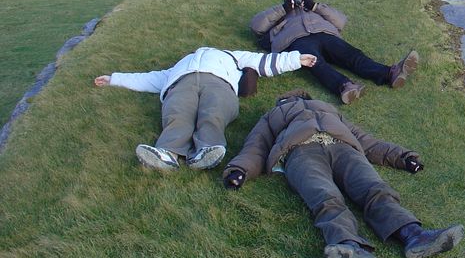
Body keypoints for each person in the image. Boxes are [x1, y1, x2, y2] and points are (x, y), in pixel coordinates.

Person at [222, 89, 465, 258]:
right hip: (300, 152)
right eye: (287, 99)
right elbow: (256, 146)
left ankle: (414, 235)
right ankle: (347, 245)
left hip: (343, 147)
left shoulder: (329, 110)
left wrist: (402, 157)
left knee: (374, 188)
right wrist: (239, 169)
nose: (292, 98)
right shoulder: (273, 116)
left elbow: (365, 140)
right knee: (324, 195)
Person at [94, 47, 317, 171]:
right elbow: (149, 79)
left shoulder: (233, 57)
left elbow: (265, 61)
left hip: (219, 84)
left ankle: (207, 149)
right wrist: (114, 79)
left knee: (214, 112)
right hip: (182, 84)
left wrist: (297, 59)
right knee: (177, 112)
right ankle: (167, 153)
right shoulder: (179, 66)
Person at [250, 0, 418, 105]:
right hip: (297, 39)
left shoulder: (316, 8)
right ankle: (345, 86)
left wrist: (315, 6)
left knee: (352, 55)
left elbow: (340, 21)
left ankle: (390, 73)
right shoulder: (282, 13)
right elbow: (256, 26)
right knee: (314, 61)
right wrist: (285, 8)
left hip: (325, 35)